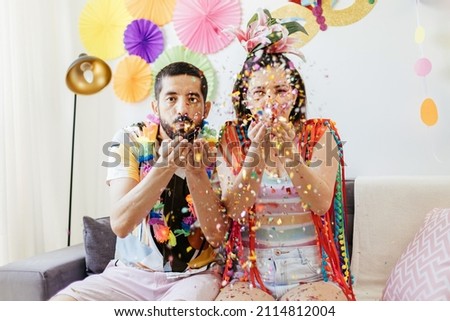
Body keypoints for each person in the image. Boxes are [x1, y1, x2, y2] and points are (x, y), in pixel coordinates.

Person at [51, 61, 229, 301]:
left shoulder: (218, 148)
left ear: (206, 109)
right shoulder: (129, 139)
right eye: (171, 98)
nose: (182, 109)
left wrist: (197, 174)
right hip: (127, 276)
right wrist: (163, 168)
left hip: (195, 278)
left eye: (192, 99)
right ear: (155, 106)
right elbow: (121, 224)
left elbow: (218, 237)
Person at [214, 9, 355, 301]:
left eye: (280, 90)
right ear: (245, 98)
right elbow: (235, 211)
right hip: (248, 279)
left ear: (295, 95)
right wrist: (255, 152)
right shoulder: (231, 138)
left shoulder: (321, 134)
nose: (271, 101)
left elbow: (319, 202)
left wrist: (290, 154)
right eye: (260, 92)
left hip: (312, 278)